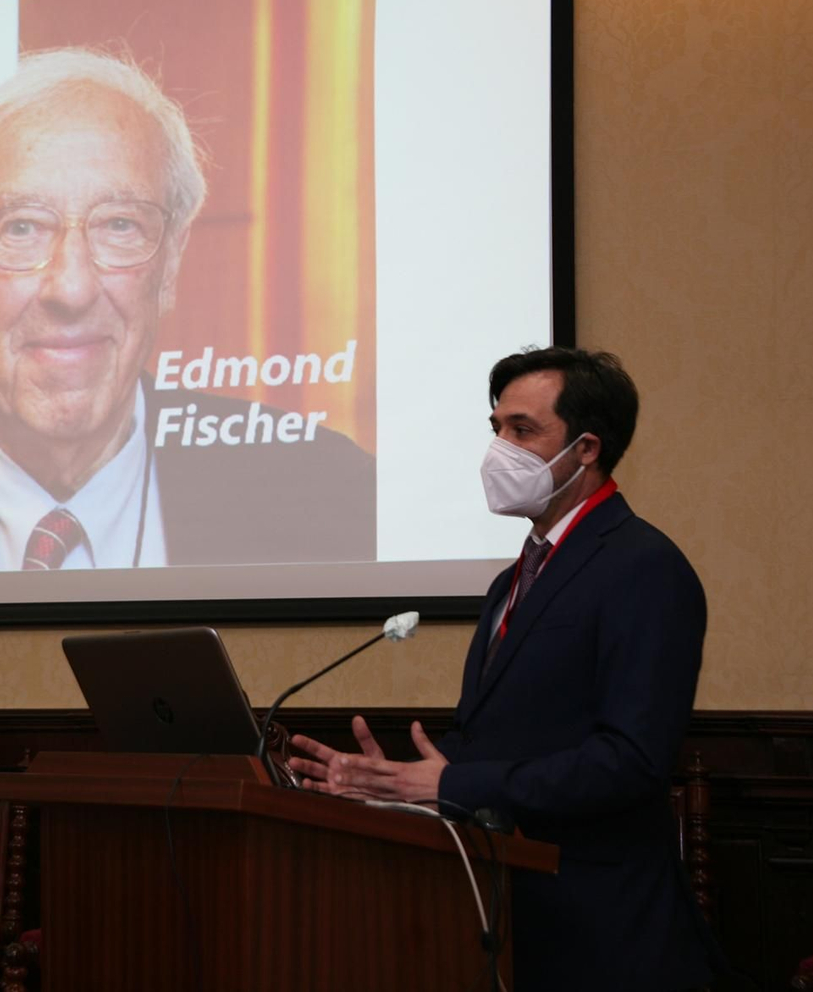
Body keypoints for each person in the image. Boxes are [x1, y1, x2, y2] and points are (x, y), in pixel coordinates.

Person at [289, 347, 718, 990]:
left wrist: (451, 786)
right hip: (507, 911)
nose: (500, 448)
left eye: (523, 430)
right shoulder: (510, 581)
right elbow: (501, 736)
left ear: (586, 449)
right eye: (497, 429)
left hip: (602, 928)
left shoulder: (644, 568)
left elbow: (631, 761)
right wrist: (392, 784)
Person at [0, 48, 374, 571]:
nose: (71, 288)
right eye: (22, 227)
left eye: (120, 225)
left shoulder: (330, 491)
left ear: (170, 266)